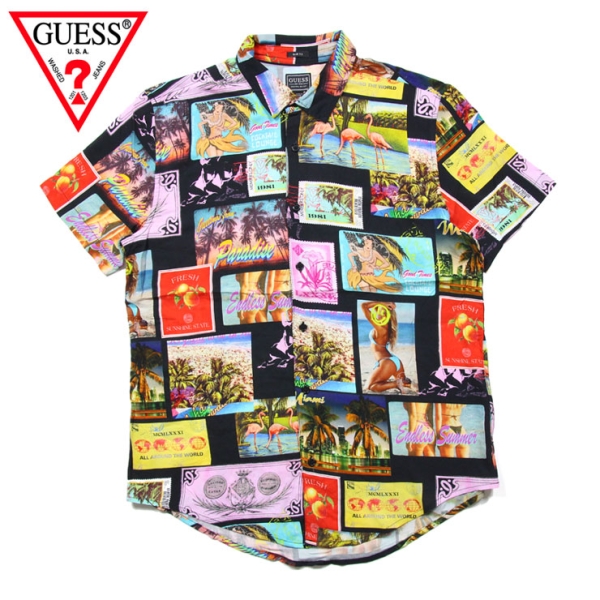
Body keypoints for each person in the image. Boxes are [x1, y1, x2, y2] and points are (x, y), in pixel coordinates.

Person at [362, 300, 411, 393]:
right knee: (405, 382)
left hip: (386, 362)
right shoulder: (388, 327)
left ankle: (396, 384)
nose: (379, 315)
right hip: (394, 360)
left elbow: (364, 306)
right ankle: (404, 383)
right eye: (378, 311)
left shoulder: (380, 327)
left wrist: (384, 303)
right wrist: (384, 305)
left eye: (383, 312)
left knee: (370, 387)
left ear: (387, 315)